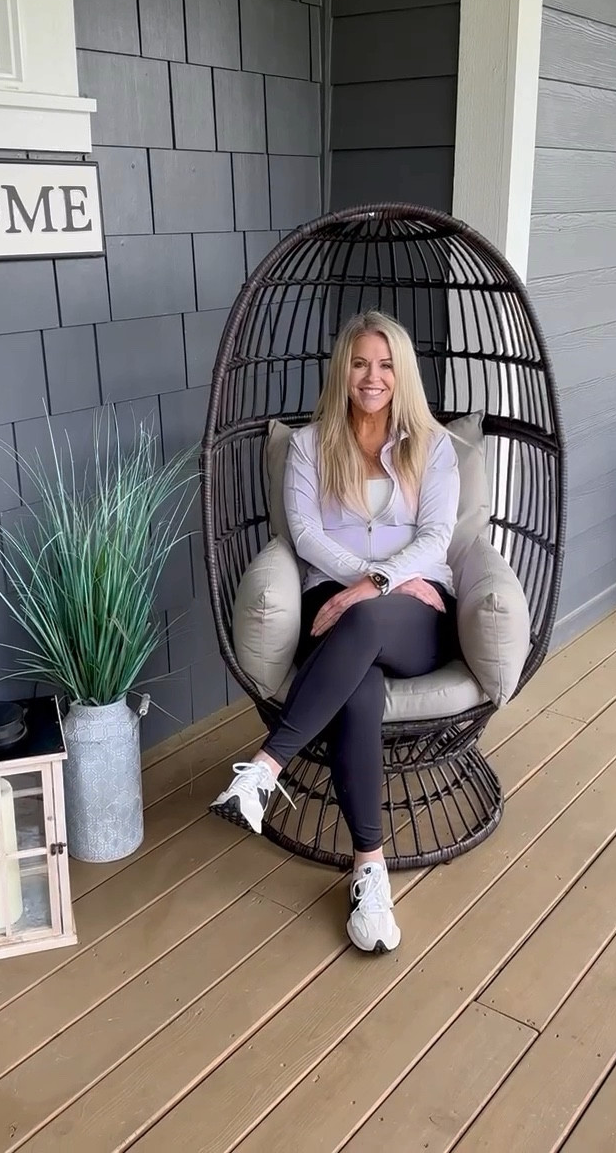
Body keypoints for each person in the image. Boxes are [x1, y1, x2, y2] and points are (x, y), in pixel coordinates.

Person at [210, 311, 460, 954]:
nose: (371, 377)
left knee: (368, 618)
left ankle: (267, 766)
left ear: (400, 372)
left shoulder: (432, 446)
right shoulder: (308, 445)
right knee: (359, 686)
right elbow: (308, 536)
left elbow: (436, 537)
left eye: (384, 364)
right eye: (358, 363)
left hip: (416, 609)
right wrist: (360, 583)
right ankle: (369, 870)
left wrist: (377, 586)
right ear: (341, 370)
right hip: (336, 602)